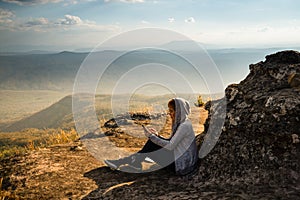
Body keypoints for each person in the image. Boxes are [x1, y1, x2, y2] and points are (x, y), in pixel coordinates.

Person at [104, 97, 198, 176]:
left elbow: (170, 146)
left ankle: (123, 162)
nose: (169, 113)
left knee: (151, 144)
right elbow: (171, 141)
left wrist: (152, 137)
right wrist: (157, 135)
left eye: (172, 111)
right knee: (152, 143)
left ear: (179, 111)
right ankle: (133, 162)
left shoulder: (184, 126)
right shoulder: (182, 122)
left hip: (182, 166)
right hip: (181, 160)